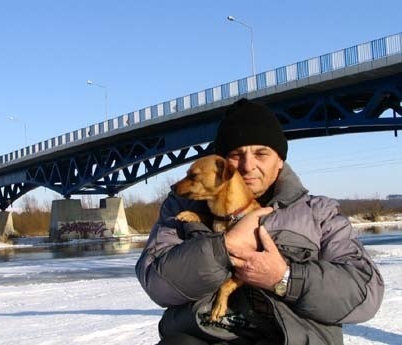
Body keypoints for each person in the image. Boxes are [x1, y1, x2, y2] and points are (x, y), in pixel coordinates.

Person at [135, 98, 384, 345]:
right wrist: (223, 247)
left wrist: (285, 277)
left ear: (280, 161)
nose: (247, 166)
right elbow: (156, 282)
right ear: (220, 164)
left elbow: (366, 294)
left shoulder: (319, 213)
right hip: (205, 333)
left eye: (261, 153)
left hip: (291, 337)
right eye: (236, 155)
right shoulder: (182, 207)